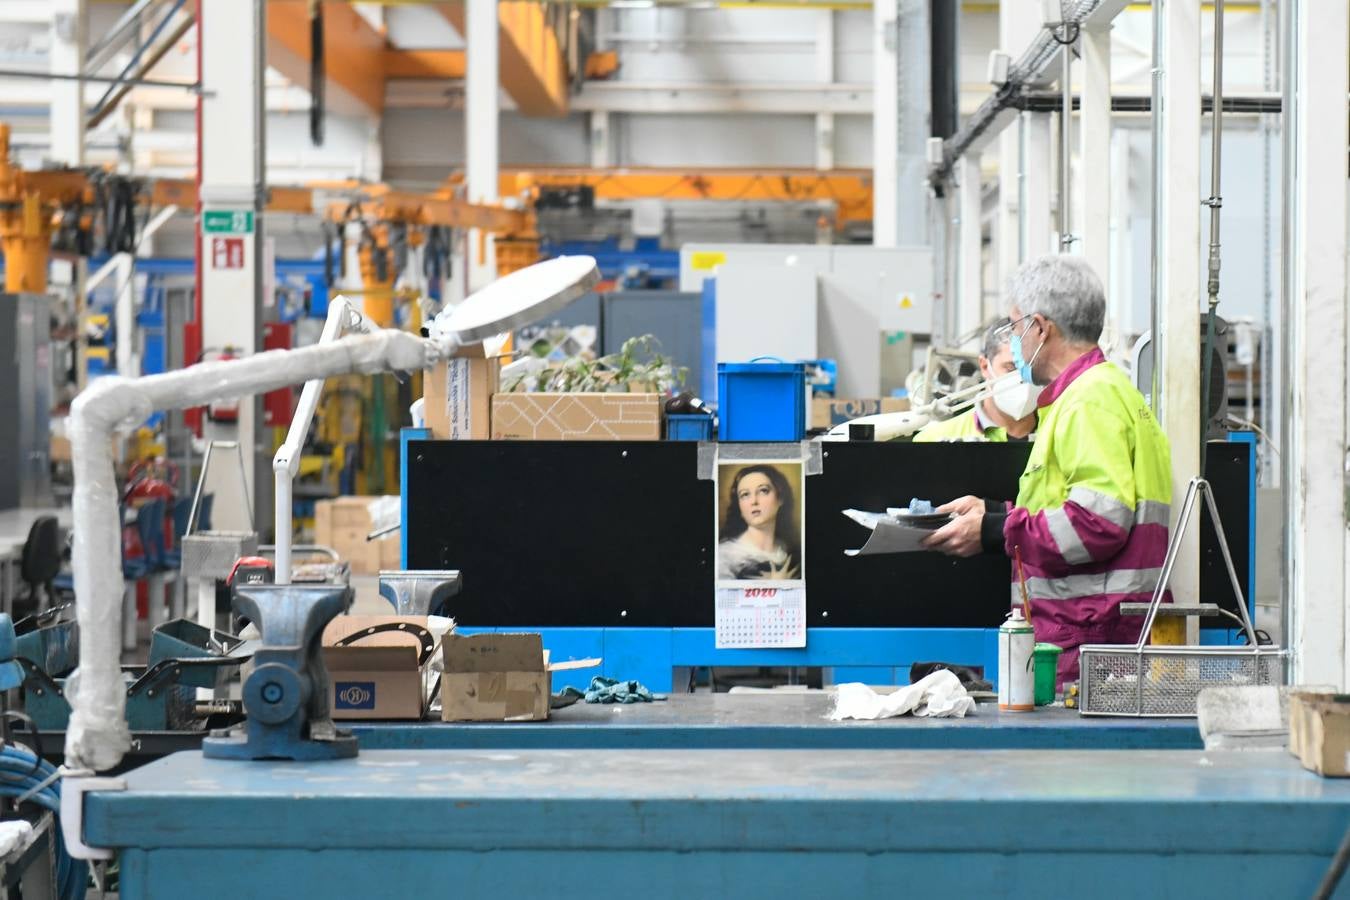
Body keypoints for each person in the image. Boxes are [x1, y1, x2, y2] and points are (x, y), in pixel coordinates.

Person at [921, 254, 1172, 687]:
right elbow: (1072, 505)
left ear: (1041, 327)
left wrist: (993, 531)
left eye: (1015, 327)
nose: (1014, 339)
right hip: (1099, 633)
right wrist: (993, 513)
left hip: (1093, 639)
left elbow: (1098, 523)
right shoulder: (1098, 393)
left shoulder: (1088, 401)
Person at [913, 317, 1040, 443]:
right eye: (1012, 368)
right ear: (985, 366)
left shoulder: (1057, 431)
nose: (1025, 379)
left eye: (1034, 368)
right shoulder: (933, 440)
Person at [718, 465, 801, 581]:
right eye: (745, 494)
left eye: (763, 491)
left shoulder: (788, 551)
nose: (754, 501)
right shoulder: (724, 557)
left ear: (780, 498)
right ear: (739, 506)